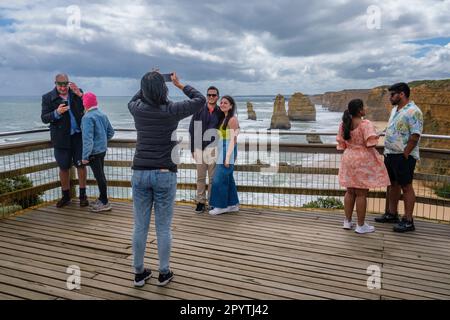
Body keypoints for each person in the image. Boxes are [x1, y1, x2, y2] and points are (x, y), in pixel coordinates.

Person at [128, 71, 205, 287]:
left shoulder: (137, 110)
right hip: (164, 173)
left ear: (143, 91)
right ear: (164, 90)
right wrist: (179, 84)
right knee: (163, 228)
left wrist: (151, 81)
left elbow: (133, 99)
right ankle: (163, 273)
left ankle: (138, 272)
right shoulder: (172, 110)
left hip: (140, 172)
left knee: (140, 226)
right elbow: (199, 100)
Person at [375, 83, 423, 233]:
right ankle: (392, 214)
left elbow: (415, 135)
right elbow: (391, 128)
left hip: (403, 156)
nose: (390, 97)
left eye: (392, 94)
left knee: (406, 187)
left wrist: (406, 154)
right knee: (392, 184)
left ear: (401, 94)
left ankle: (408, 220)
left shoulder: (414, 111)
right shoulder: (396, 110)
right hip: (390, 153)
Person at [336, 99, 390, 234]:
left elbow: (342, 145)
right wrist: (376, 135)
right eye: (363, 107)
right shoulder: (365, 124)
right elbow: (370, 144)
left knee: (349, 191)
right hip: (362, 159)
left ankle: (347, 222)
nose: (365, 109)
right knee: (361, 193)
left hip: (348, 157)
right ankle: (360, 225)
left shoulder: (344, 124)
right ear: (360, 110)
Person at [41, 74, 89, 208]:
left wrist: (80, 95)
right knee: (63, 167)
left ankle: (83, 196)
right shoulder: (48, 98)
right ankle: (66, 196)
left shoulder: (76, 92)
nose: (62, 87)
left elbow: (89, 105)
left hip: (78, 137)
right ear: (55, 83)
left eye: (65, 83)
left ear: (68, 83)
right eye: (60, 84)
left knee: (81, 165)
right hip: (61, 138)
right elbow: (44, 118)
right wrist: (56, 112)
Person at [188, 86, 222, 213]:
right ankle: (201, 202)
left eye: (214, 95)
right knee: (201, 177)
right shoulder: (199, 110)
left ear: (217, 96)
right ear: (207, 96)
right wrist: (192, 149)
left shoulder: (220, 112)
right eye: (209, 95)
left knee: (213, 178)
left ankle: (212, 202)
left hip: (214, 149)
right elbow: (192, 129)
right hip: (200, 149)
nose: (211, 97)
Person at [80, 92, 115, 213]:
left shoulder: (87, 118)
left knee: (99, 177)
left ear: (85, 103)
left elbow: (87, 139)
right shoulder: (102, 114)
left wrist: (85, 156)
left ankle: (105, 202)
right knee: (101, 175)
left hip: (93, 153)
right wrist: (102, 141)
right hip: (102, 150)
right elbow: (111, 132)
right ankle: (101, 198)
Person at [209, 96, 240, 215]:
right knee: (228, 178)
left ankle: (220, 206)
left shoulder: (232, 119)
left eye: (225, 103)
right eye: (221, 102)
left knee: (218, 179)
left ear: (231, 106)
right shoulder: (224, 118)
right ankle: (233, 205)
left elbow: (233, 140)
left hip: (228, 150)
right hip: (222, 149)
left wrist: (227, 157)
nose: (222, 104)